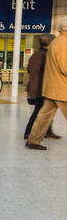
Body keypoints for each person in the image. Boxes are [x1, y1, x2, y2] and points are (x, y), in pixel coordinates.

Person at [27, 17, 67, 150]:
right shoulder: (64, 43)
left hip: (53, 87)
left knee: (44, 116)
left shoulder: (57, 42)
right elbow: (65, 67)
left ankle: (33, 140)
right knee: (43, 115)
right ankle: (33, 140)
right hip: (62, 89)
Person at [24, 33, 60, 140]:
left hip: (38, 88)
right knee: (39, 111)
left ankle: (48, 131)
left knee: (46, 110)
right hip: (43, 89)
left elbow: (29, 70)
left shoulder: (36, 54)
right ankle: (28, 132)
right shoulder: (47, 55)